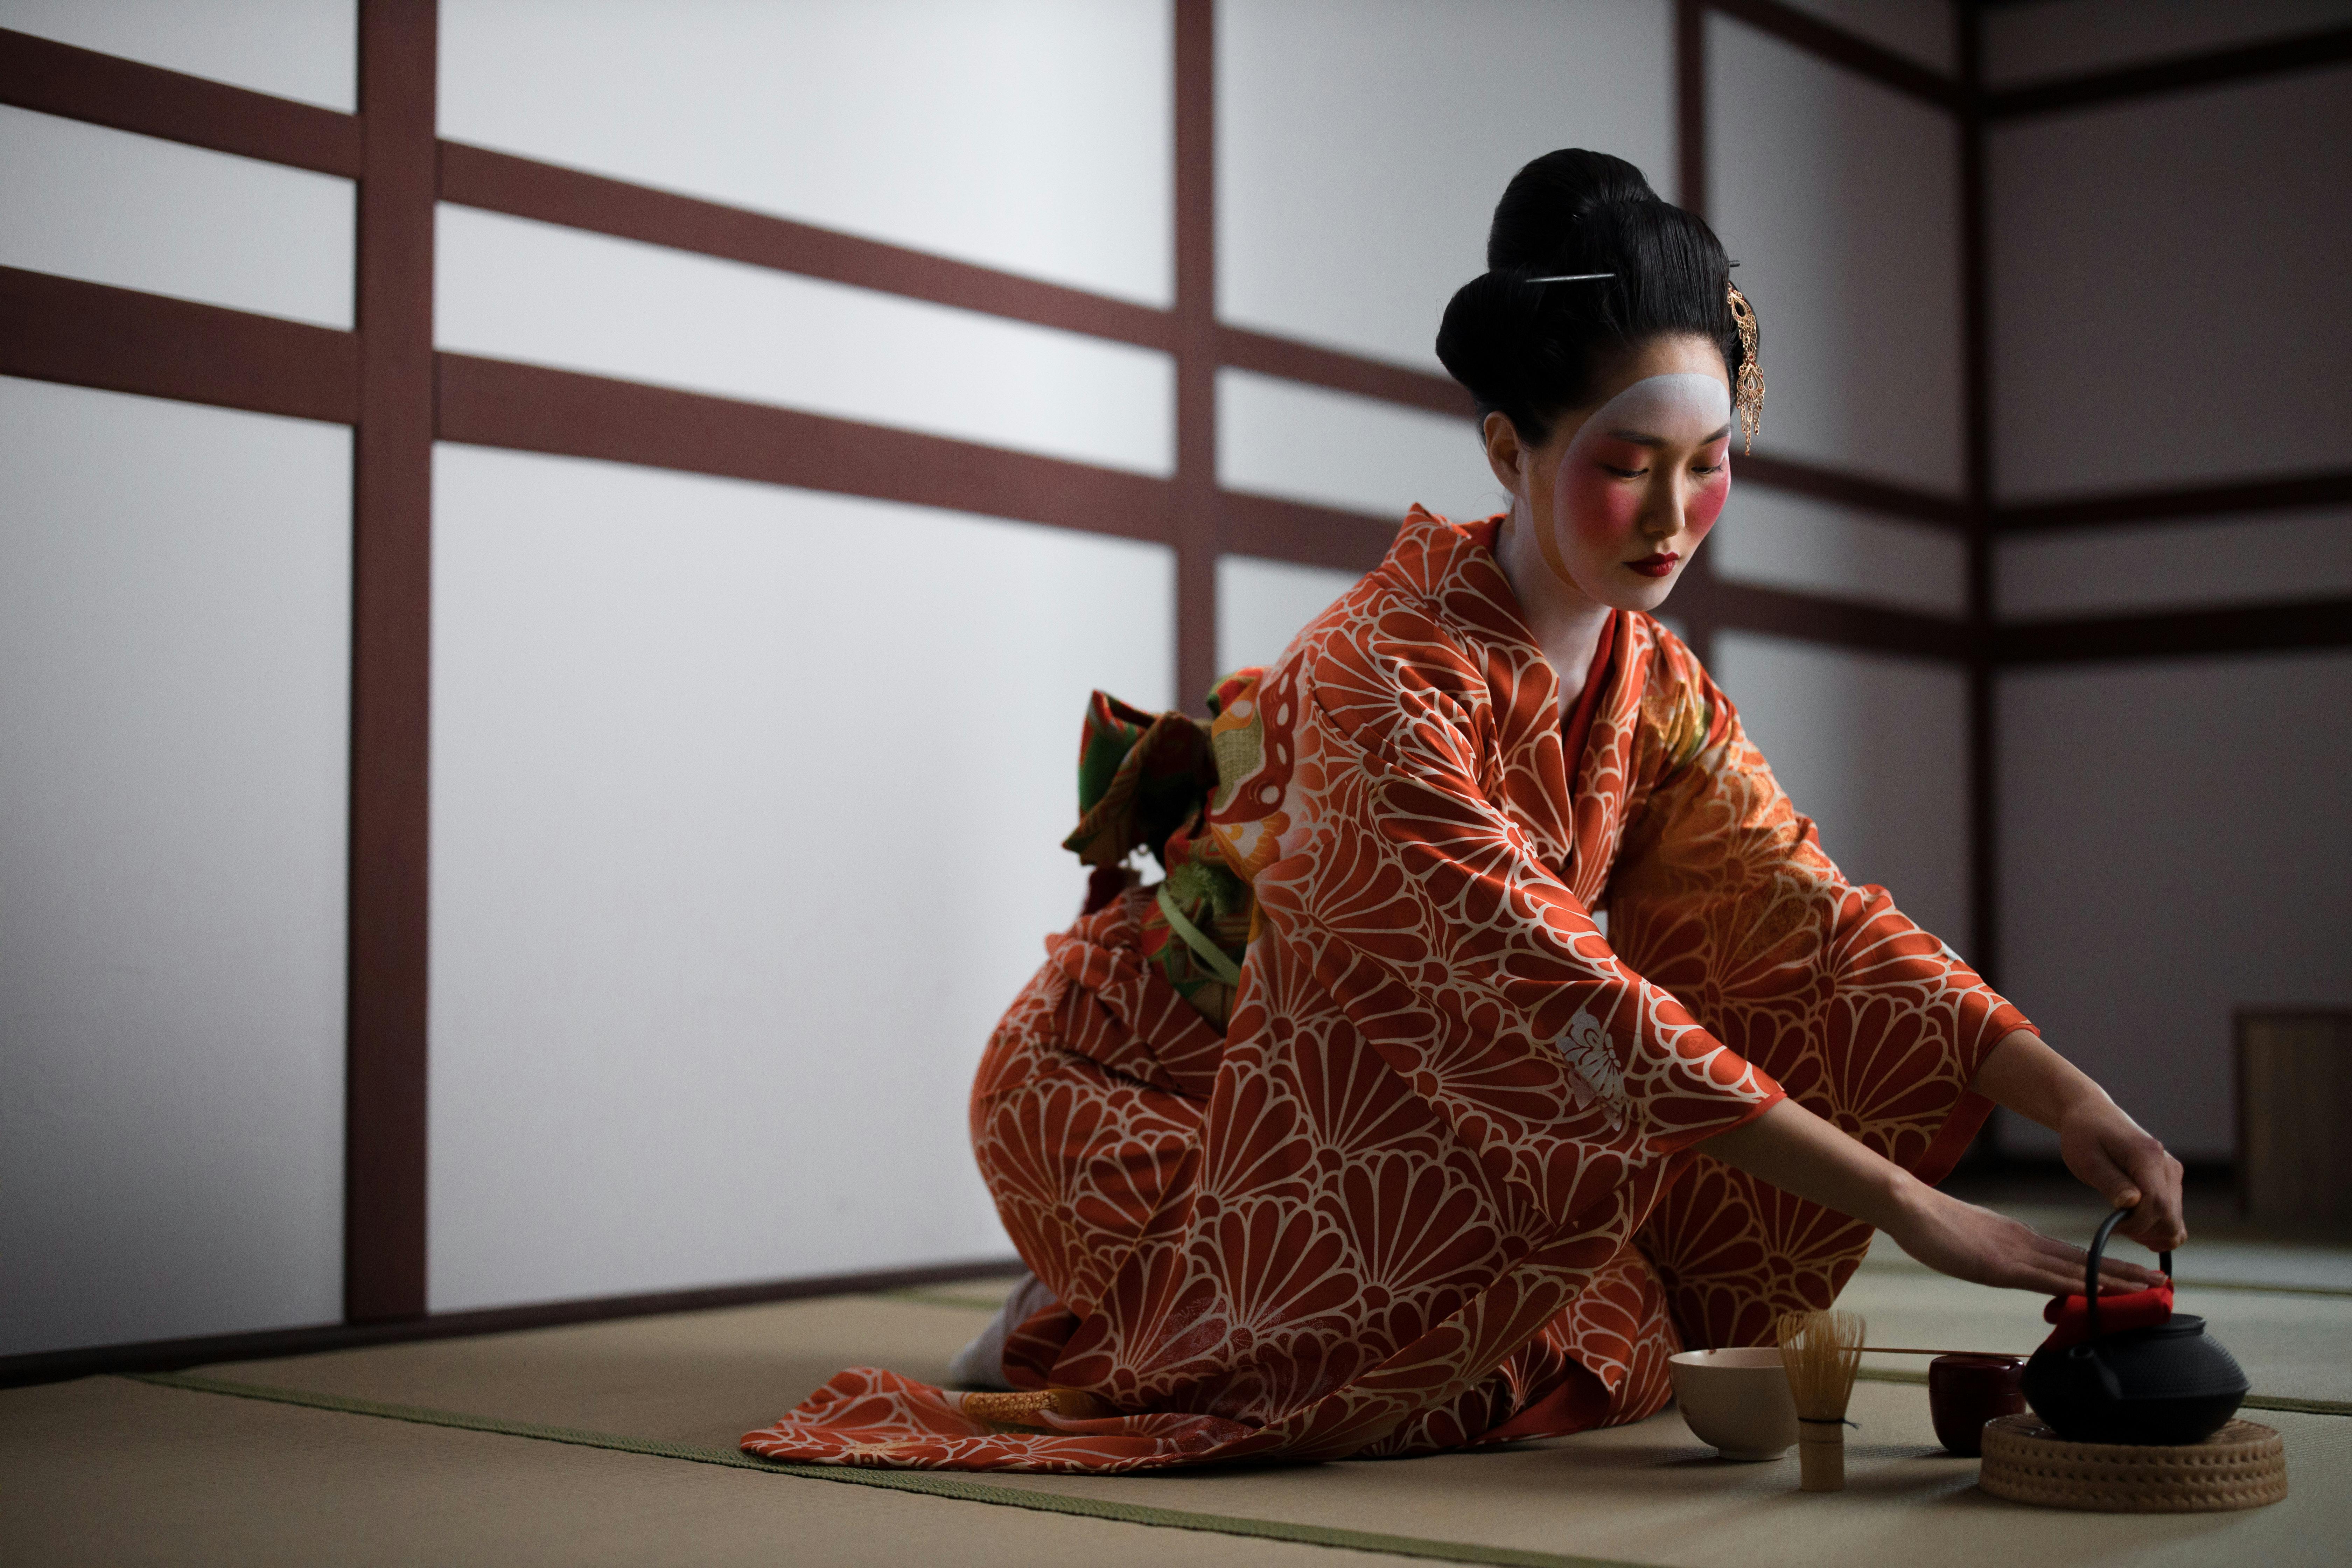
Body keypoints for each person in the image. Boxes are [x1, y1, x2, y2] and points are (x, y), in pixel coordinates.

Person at [743, 149, 2183, 1474]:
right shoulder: (1378, 672)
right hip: (1137, 1090)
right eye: (1627, 465)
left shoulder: (1655, 681)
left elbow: (1808, 918)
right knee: (1363, 1353)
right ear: (1508, 453)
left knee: (1610, 1335)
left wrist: (2062, 1094)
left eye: (1707, 464)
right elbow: (1538, 987)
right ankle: (1090, 1314)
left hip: (1353, 1094)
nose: (1675, 515)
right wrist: (1911, 1206)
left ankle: (1136, 1317)